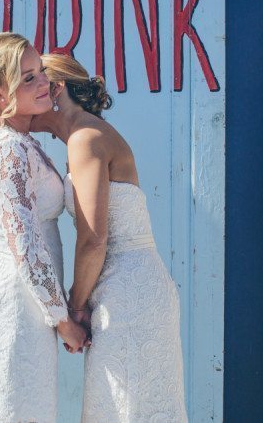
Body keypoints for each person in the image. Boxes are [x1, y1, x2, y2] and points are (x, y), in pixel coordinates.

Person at [31, 53, 188, 422]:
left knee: (126, 408)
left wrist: (74, 307)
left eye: (32, 84)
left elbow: (93, 240)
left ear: (56, 90)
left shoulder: (85, 139)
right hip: (128, 287)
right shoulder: (85, 135)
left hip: (127, 293)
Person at [0, 34, 88, 422]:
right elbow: (26, 246)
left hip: (31, 306)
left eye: (41, 73)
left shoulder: (18, 142)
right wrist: (64, 322)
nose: (44, 83)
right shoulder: (6, 150)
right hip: (16, 306)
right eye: (28, 78)